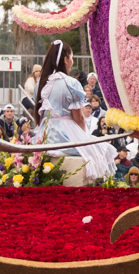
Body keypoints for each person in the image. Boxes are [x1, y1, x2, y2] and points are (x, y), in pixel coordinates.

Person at [37, 40, 116, 181]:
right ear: (65, 59)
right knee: (102, 148)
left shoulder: (40, 83)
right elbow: (79, 118)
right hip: (66, 132)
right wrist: (83, 137)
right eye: (72, 58)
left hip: (43, 133)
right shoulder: (71, 83)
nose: (72, 62)